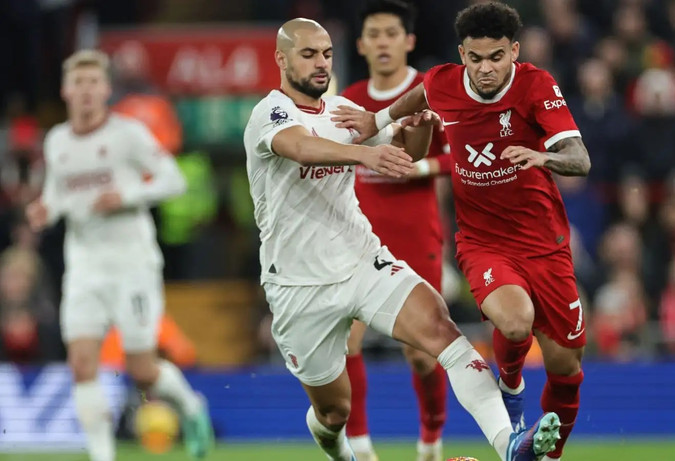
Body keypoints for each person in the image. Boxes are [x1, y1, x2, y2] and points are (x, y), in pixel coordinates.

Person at [243, 18, 560, 461]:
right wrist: (363, 152)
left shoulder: (341, 111)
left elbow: (408, 153)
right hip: (299, 285)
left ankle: (509, 444)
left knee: (443, 332)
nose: (320, 63)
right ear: (281, 58)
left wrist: (421, 124)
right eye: (308, 54)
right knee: (334, 412)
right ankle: (340, 449)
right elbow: (299, 147)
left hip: (361, 259)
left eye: (327, 54)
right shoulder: (270, 113)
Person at [332, 3, 591, 459]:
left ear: (513, 51)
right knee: (514, 322)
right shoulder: (442, 81)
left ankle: (543, 455)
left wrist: (543, 158)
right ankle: (509, 386)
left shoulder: (536, 85)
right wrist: (376, 120)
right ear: (461, 54)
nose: (485, 68)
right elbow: (419, 95)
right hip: (483, 242)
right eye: (476, 58)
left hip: (544, 243)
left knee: (566, 369)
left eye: (496, 57)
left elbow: (580, 158)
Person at [25, 50, 214, 461]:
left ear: (107, 90)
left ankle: (192, 406)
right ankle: (102, 455)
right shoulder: (57, 141)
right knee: (81, 362)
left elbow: (173, 179)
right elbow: (58, 193)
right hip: (84, 266)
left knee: (141, 370)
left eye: (94, 83)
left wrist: (127, 195)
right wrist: (46, 208)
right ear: (66, 90)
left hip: (132, 264)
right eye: (79, 83)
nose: (87, 91)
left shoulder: (128, 134)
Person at [341, 2, 451, 460]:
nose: (383, 41)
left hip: (414, 236)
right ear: (362, 44)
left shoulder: (430, 94)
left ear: (408, 41)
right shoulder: (347, 99)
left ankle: (430, 439)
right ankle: (362, 447)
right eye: (375, 34)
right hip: (355, 239)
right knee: (344, 344)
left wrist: (419, 166)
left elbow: (462, 158)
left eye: (392, 33)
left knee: (422, 355)